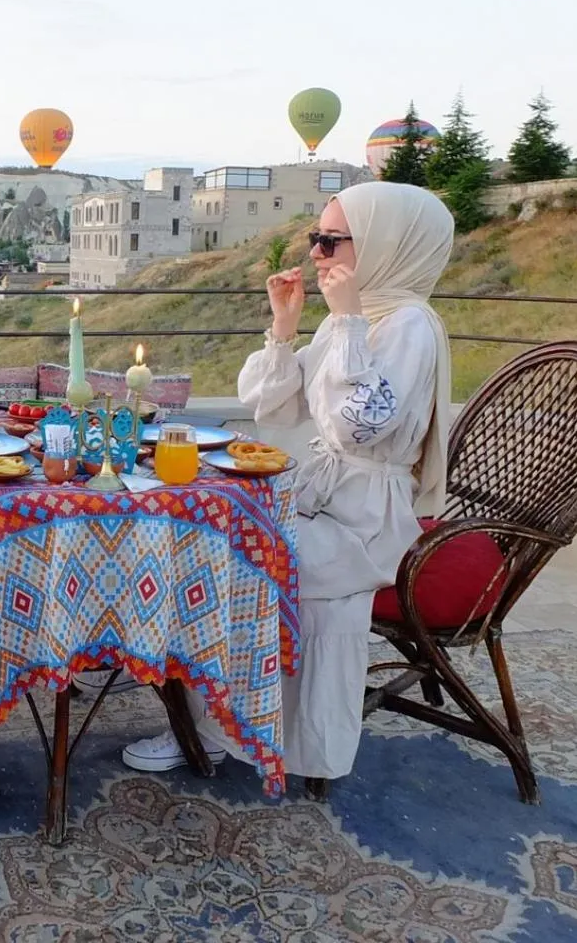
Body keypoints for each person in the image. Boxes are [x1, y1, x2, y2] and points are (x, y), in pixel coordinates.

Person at [121, 180, 455, 783]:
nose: (319, 254)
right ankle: (217, 719)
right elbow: (272, 403)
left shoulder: (407, 326)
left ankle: (216, 730)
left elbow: (359, 429)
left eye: (332, 240)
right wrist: (284, 328)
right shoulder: (351, 319)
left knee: (227, 559)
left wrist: (348, 321)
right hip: (322, 497)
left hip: (364, 522)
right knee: (206, 537)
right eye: (314, 238)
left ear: (385, 244)